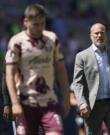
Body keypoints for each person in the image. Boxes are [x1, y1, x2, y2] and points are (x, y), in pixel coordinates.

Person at [5, 4, 70, 135]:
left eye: (42, 24)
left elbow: (61, 70)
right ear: (26, 21)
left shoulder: (51, 39)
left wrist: (66, 98)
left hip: (49, 102)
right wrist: (14, 103)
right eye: (36, 24)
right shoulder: (16, 42)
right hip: (25, 103)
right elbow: (8, 75)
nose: (40, 28)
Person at [72, 23, 110, 135]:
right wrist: (82, 103)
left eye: (102, 33)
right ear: (91, 36)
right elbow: (77, 83)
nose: (99, 35)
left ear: (106, 35)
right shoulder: (82, 56)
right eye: (96, 33)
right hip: (92, 106)